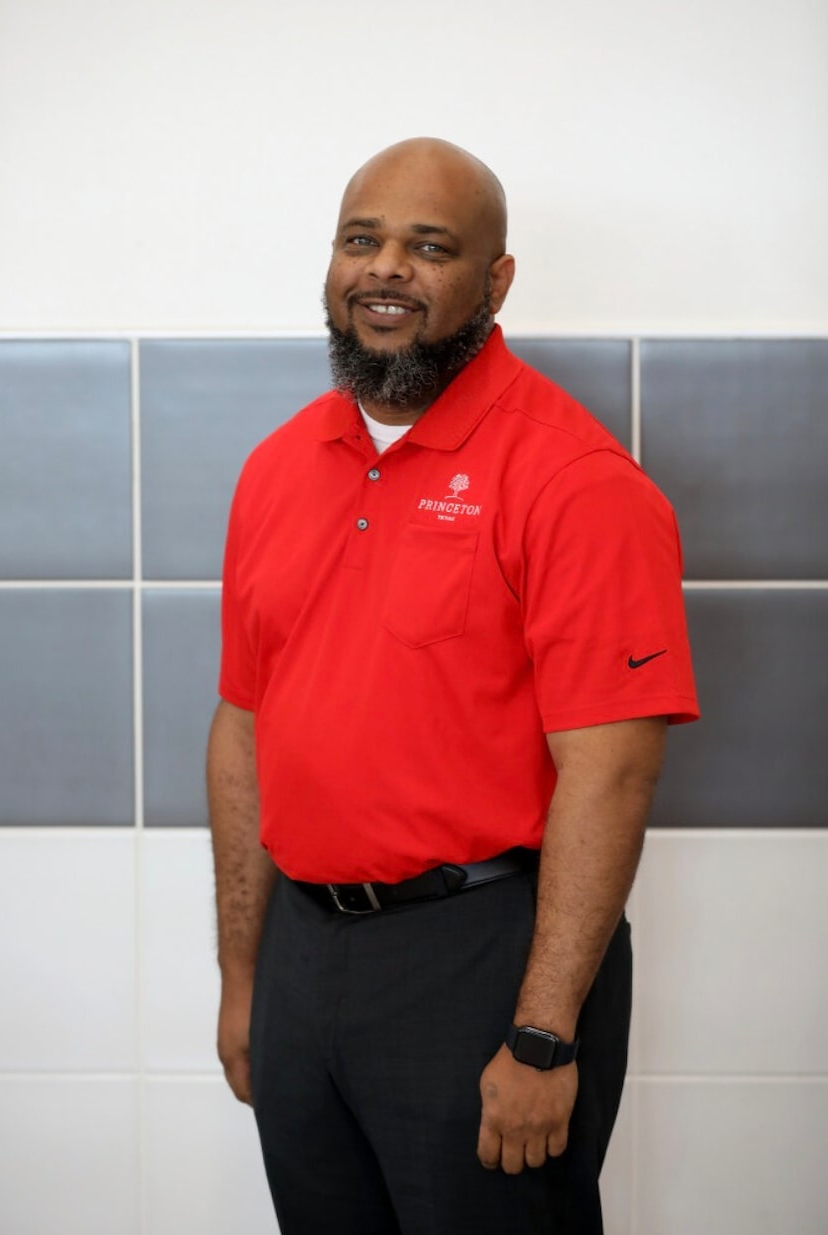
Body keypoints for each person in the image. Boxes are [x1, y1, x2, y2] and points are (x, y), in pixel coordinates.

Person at [207, 136, 699, 1235]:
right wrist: (245, 975)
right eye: (360, 239)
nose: (385, 269)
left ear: (494, 279)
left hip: (479, 958)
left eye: (428, 247)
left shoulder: (574, 481)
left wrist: (540, 1034)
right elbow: (242, 726)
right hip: (302, 953)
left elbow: (611, 772)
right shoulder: (277, 466)